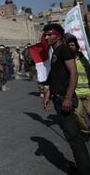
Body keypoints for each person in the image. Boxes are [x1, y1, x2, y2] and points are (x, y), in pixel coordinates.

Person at [42, 24, 90, 174]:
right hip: (58, 98)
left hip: (65, 99)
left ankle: (85, 170)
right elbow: (55, 76)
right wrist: (49, 93)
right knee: (71, 135)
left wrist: (68, 97)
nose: (47, 37)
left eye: (50, 34)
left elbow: (73, 73)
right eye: (46, 34)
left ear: (58, 35)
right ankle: (84, 167)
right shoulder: (56, 52)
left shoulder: (64, 49)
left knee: (74, 136)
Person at [66, 35, 90, 138]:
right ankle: (86, 131)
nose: (71, 47)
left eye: (73, 45)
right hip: (75, 93)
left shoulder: (84, 58)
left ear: (77, 46)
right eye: (69, 45)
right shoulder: (67, 60)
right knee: (79, 115)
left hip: (88, 91)